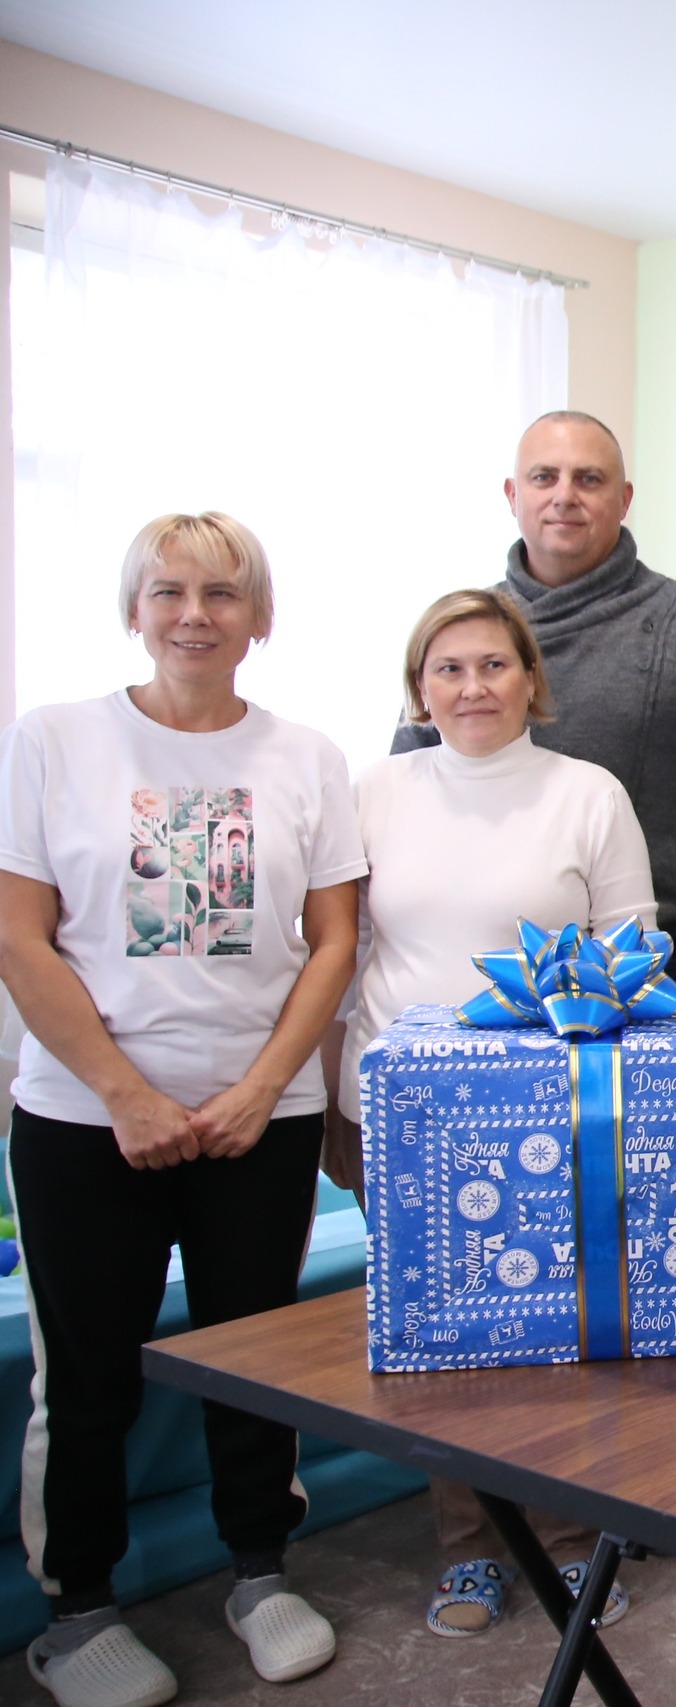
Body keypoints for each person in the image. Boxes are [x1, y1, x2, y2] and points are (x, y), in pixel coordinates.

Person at [0, 514, 358, 1703]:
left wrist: (261, 1090)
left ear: (260, 617)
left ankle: (260, 1573)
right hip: (84, 1118)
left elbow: (334, 941)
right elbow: (18, 935)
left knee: (253, 1360)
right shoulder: (52, 741)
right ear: (133, 609)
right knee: (86, 1376)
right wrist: (125, 1094)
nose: (194, 615)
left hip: (260, 1120)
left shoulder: (306, 757)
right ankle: (77, 1613)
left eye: (222, 593)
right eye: (168, 592)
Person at [335, 589, 655, 1638]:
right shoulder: (374, 791)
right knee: (441, 1341)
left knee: (555, 1332)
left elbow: (630, 953)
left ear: (529, 679)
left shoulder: (588, 793)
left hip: (553, 1117)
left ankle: (568, 1542)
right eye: (449, 668)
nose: (472, 686)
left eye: (493, 664)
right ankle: (468, 1547)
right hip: (402, 1116)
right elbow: (341, 949)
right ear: (419, 688)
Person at [392, 411, 676, 994]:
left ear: (624, 499)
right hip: (471, 962)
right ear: (513, 495)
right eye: (544, 477)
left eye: (589, 479)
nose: (564, 496)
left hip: (654, 967)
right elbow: (407, 789)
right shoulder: (469, 634)